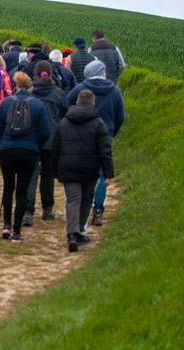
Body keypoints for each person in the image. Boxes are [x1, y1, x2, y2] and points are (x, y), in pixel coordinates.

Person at [53, 90, 114, 252]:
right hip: (89, 169)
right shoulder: (98, 123)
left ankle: (72, 233)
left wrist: (53, 170)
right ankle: (79, 230)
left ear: (77, 102)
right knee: (87, 200)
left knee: (73, 200)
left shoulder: (64, 122)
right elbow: (105, 151)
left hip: (68, 168)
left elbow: (55, 148)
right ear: (93, 104)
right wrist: (108, 173)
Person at [0, 72, 50, 243]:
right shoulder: (38, 105)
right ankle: (17, 230)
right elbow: (45, 131)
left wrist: (3, 142)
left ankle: (6, 225)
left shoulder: (6, 103)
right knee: (22, 190)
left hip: (8, 151)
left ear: (16, 86)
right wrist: (36, 146)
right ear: (30, 87)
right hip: (29, 152)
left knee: (8, 187)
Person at [67, 60, 125, 226]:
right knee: (101, 174)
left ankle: (79, 204)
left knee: (82, 169)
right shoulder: (114, 90)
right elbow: (121, 115)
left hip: (81, 135)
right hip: (106, 134)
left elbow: (66, 104)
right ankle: (98, 210)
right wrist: (113, 131)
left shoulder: (81, 88)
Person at [23, 61, 69, 226]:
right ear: (50, 73)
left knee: (30, 175)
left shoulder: (30, 93)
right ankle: (47, 208)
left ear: (35, 73)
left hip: (31, 139)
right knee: (48, 175)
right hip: (51, 139)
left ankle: (28, 211)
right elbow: (66, 113)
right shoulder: (57, 93)